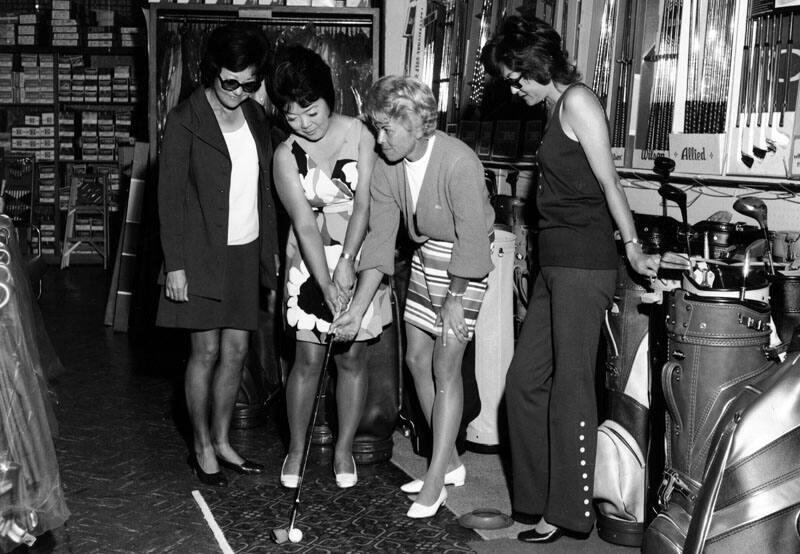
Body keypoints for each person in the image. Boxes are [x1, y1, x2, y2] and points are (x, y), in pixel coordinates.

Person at [480, 14, 661, 542]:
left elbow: (609, 182)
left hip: (584, 263)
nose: (514, 90)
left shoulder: (579, 101)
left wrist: (632, 247)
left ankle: (567, 513)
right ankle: (535, 499)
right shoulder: (554, 109)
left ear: (539, 64)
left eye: (518, 78)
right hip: (553, 264)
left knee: (572, 388)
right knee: (523, 383)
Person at [330, 76, 494, 518]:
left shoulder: (458, 161)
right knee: (416, 360)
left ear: (420, 125)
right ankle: (452, 465)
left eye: (388, 130)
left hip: (465, 261)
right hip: (426, 257)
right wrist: (356, 311)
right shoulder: (387, 165)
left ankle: (437, 478)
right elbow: (381, 240)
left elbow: (475, 240)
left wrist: (456, 296)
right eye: (376, 129)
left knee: (446, 367)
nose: (379, 140)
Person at [156, 23, 279, 487]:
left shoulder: (256, 116)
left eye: (249, 83)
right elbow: (169, 197)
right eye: (230, 81)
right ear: (212, 71)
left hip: (245, 250)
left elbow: (265, 186)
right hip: (201, 251)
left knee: (237, 350)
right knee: (204, 351)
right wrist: (176, 265)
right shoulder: (186, 118)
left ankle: (225, 440)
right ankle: (202, 445)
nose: (238, 91)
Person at [268, 45, 390, 489]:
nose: (304, 123)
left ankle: (344, 451)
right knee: (308, 357)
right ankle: (297, 451)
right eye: (292, 115)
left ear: (328, 96)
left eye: (311, 110)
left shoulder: (362, 133)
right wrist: (323, 280)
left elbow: (364, 205)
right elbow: (302, 222)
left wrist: (348, 264)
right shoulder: (285, 155)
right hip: (309, 258)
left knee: (353, 355)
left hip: (359, 252)